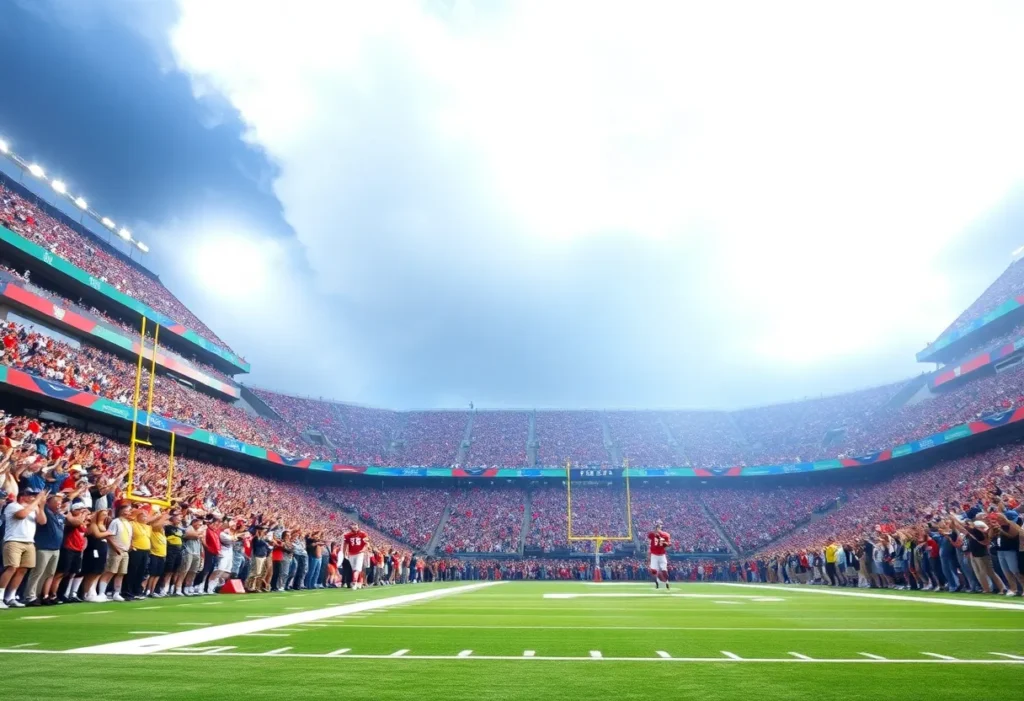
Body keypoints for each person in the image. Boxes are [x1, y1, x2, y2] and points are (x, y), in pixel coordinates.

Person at [0, 487, 48, 608]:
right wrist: (36, 501)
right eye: (31, 495)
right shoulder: (13, 506)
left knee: (23, 570)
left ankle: (10, 597)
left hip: (29, 542)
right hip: (14, 540)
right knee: (11, 568)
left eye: (34, 495)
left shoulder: (34, 507)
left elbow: (42, 521)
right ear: (22, 496)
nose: (33, 497)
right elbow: (21, 515)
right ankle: (0, 597)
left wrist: (41, 506)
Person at [343, 523, 369, 591]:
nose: (355, 528)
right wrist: (344, 552)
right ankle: (359, 582)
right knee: (354, 570)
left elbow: (367, 544)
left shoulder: (363, 534)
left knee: (357, 569)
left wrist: (363, 549)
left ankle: (354, 583)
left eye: (356, 527)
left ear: (358, 527)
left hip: (359, 553)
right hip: (351, 554)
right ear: (351, 528)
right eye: (353, 527)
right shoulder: (348, 535)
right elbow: (345, 544)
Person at [647, 521, 671, 590]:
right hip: (654, 555)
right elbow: (649, 541)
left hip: (661, 555)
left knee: (664, 570)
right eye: (656, 528)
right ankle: (657, 582)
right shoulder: (652, 534)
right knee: (654, 571)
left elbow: (668, 545)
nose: (656, 529)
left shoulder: (665, 535)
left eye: (657, 527)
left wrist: (663, 543)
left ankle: (666, 582)